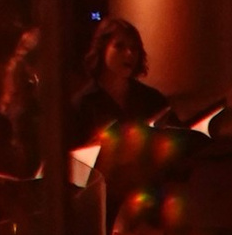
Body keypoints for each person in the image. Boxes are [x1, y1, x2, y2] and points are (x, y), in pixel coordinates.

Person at [67, 15, 168, 143]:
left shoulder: (152, 100)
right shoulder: (83, 105)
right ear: (102, 49)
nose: (129, 53)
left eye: (134, 48)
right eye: (119, 46)